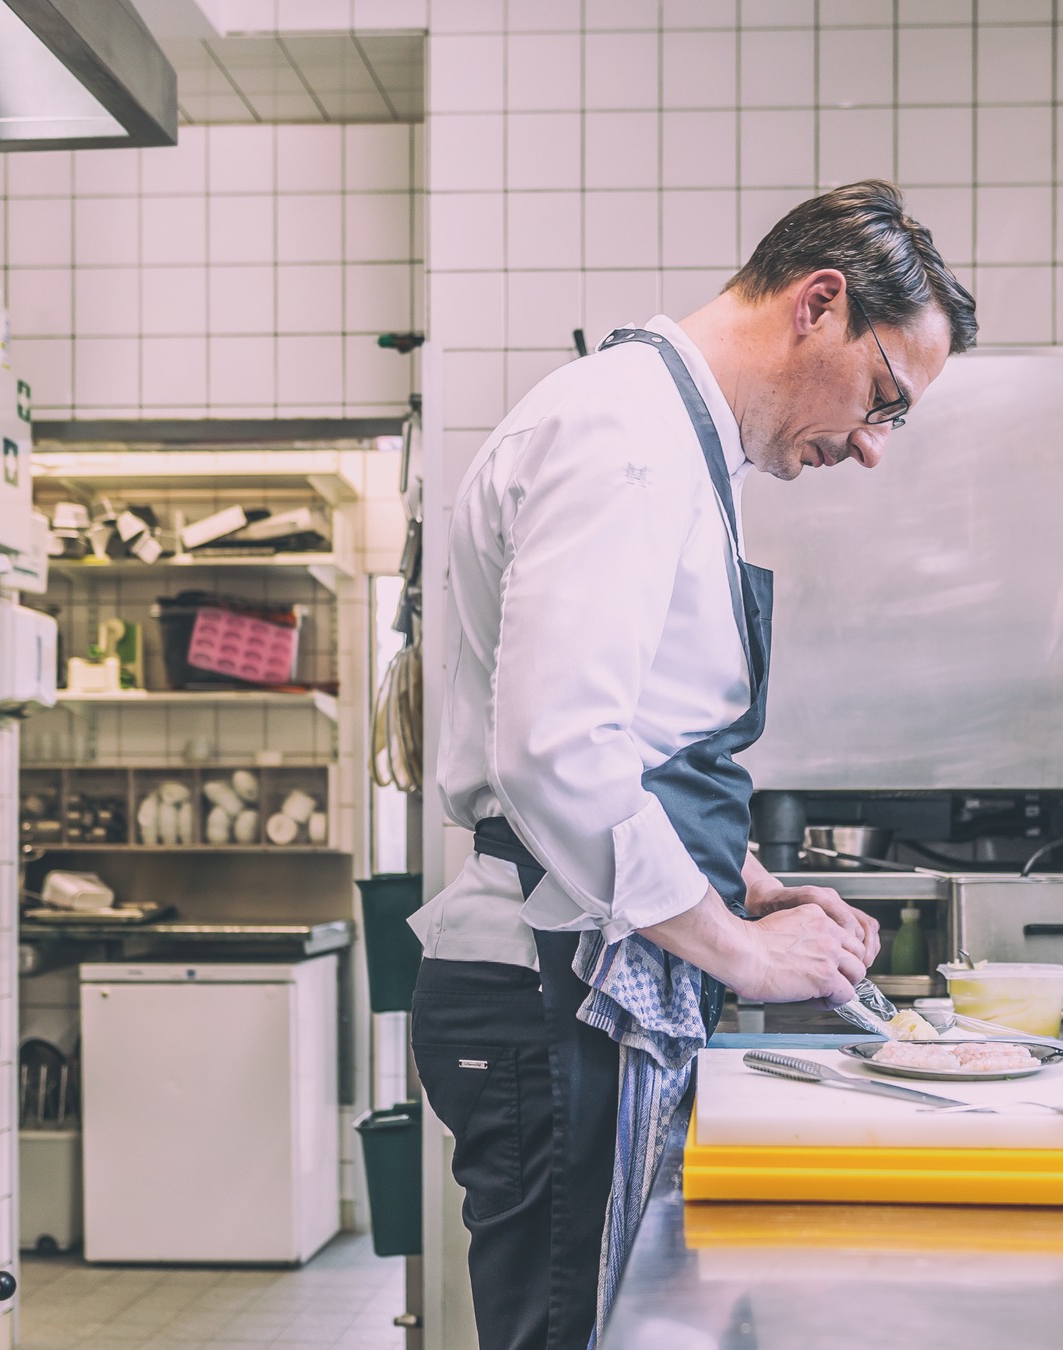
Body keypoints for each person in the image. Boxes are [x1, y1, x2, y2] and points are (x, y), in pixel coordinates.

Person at [408, 180, 979, 1350]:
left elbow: (640, 743)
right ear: (818, 303)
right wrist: (740, 951)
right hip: (551, 988)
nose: (872, 446)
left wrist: (747, 885)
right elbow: (557, 751)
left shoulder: (673, 442)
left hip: (585, 972)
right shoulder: (623, 436)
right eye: (882, 399)